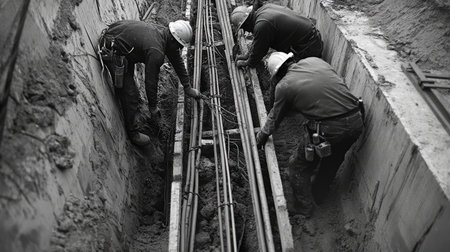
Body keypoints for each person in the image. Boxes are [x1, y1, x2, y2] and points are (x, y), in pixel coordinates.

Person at [256, 52, 364, 216]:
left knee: (297, 167)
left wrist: (262, 136)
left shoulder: (284, 86)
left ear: (277, 74)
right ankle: (319, 195)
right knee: (332, 161)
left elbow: (275, 116)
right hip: (356, 120)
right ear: (291, 60)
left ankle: (304, 207)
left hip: (329, 129)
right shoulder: (314, 61)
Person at [98, 20, 203, 146]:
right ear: (173, 40)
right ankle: (133, 133)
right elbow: (151, 81)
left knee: (129, 85)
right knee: (132, 95)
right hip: (112, 49)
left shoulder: (164, 34)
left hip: (120, 41)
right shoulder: (156, 51)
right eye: (179, 45)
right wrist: (153, 107)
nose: (179, 49)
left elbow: (177, 61)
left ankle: (125, 96)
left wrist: (187, 87)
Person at [230, 3, 323, 68]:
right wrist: (247, 55)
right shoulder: (264, 10)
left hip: (309, 46)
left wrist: (248, 63)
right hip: (310, 37)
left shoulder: (262, 25)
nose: (246, 31)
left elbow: (260, 49)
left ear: (246, 23)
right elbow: (258, 41)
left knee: (288, 73)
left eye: (244, 27)